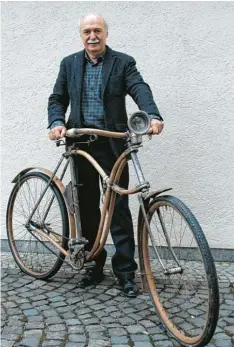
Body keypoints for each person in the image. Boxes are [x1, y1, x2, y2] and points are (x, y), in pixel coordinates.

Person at [48, 13, 164, 297]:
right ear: (81, 35)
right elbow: (57, 99)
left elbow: (140, 88)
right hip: (80, 145)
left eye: (97, 30)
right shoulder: (69, 64)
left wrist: (152, 115)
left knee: (119, 209)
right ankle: (93, 265)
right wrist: (56, 123)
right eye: (87, 31)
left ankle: (125, 272)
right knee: (87, 207)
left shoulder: (123, 62)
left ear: (105, 34)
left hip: (112, 145)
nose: (92, 36)